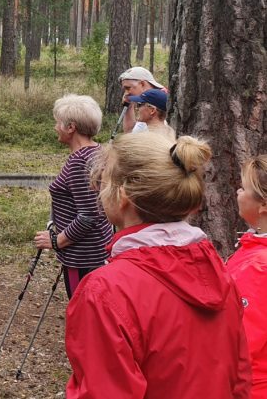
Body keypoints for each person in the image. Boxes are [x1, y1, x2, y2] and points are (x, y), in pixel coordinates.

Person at [64, 133, 251, 398]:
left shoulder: (105, 291)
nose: (98, 189)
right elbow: (239, 378)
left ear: (123, 195)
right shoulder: (219, 272)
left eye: (102, 181)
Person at [33, 94, 113, 298]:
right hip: (95, 251)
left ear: (71, 127)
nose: (55, 127)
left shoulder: (79, 162)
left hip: (84, 258)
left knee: (84, 315)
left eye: (57, 122)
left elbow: (88, 215)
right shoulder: (96, 152)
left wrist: (56, 241)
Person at [227, 154, 267, 398]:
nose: (238, 193)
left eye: (243, 188)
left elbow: (240, 342)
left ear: (263, 205)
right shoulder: (253, 251)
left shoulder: (258, 267)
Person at [118, 66, 165, 133]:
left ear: (142, 84)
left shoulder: (162, 101)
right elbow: (130, 133)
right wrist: (129, 106)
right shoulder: (146, 103)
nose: (126, 93)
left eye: (128, 88)